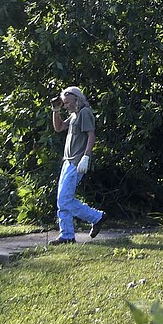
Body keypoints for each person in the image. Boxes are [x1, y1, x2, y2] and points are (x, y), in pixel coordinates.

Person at [50, 86, 106, 244]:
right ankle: (93, 219)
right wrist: (56, 110)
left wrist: (86, 157)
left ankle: (70, 233)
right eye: (64, 103)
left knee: (64, 199)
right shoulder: (74, 115)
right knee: (63, 199)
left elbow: (91, 135)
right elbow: (59, 127)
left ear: (77, 99)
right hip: (68, 160)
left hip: (77, 161)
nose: (66, 105)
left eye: (67, 102)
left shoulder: (84, 112)